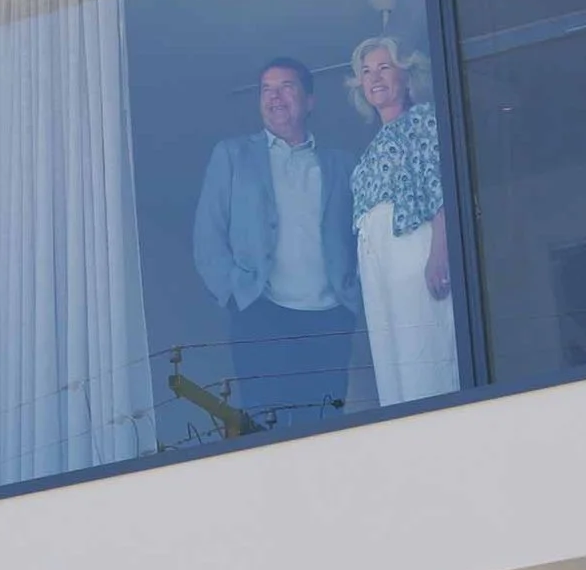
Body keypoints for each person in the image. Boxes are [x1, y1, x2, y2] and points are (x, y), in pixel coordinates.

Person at [191, 57, 364, 429]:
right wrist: (236, 295)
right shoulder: (233, 155)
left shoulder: (341, 164)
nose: (275, 97)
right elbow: (208, 237)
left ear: (309, 100)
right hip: (261, 310)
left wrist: (353, 297)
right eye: (266, 89)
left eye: (286, 87)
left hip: (330, 317)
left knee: (325, 426)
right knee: (266, 425)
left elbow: (363, 237)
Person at [348, 36, 458, 405]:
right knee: (392, 363)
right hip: (380, 266)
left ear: (406, 75)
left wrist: (440, 253)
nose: (373, 77)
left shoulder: (423, 119)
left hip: (412, 249)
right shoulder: (373, 144)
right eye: (366, 71)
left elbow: (439, 185)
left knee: (422, 353)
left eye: (384, 67)